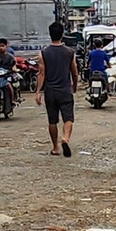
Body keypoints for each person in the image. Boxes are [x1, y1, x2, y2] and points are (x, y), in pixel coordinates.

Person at [37, 20, 78, 157]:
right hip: (65, 89)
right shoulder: (70, 52)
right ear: (62, 35)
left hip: (50, 91)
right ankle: (65, 138)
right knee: (68, 118)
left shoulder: (43, 53)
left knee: (52, 120)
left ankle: (55, 147)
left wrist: (38, 92)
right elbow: (74, 72)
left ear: (50, 35)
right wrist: (75, 86)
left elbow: (41, 73)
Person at [0, 38, 17, 117]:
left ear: (6, 46)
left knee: (9, 86)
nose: (1, 47)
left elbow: (14, 64)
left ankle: (12, 101)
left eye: (2, 46)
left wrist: (14, 69)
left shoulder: (10, 56)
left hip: (7, 75)